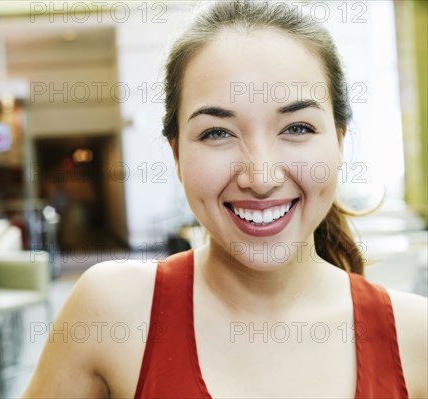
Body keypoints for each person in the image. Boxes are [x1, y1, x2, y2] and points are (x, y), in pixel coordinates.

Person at [23, 1, 427, 398]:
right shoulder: (111, 315)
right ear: (177, 153)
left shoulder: (416, 339)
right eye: (218, 133)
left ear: (339, 142)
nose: (261, 177)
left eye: (297, 127)